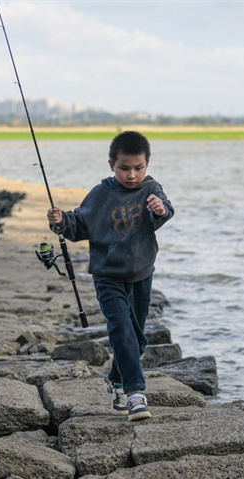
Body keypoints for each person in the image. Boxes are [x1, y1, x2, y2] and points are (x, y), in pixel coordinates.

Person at [46, 131, 174, 421]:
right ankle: (135, 394)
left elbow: (166, 211)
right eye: (124, 168)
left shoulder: (151, 188)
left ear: (147, 164)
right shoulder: (101, 194)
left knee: (138, 339)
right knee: (122, 330)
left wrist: (160, 209)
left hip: (141, 273)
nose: (132, 175)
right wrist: (60, 221)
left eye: (138, 168)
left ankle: (115, 381)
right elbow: (78, 225)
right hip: (107, 276)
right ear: (111, 165)